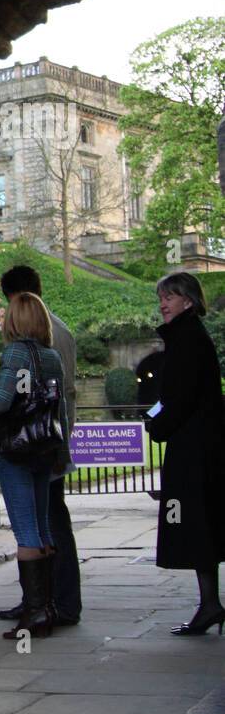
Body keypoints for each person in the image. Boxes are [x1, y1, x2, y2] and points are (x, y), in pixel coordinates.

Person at [0, 293, 68, 640]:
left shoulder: (15, 353)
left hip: (17, 450)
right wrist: (62, 451)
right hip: (44, 449)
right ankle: (48, 606)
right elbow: (61, 410)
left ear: (14, 321)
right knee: (43, 530)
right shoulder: (51, 356)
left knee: (25, 533)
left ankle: (34, 613)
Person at [0, 265, 81, 627]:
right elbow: (66, 397)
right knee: (47, 523)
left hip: (30, 445)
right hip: (47, 443)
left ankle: (55, 602)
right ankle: (43, 600)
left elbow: (10, 400)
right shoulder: (60, 333)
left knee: (43, 525)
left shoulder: (33, 342)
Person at [146, 272, 225, 635]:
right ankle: (210, 604)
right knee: (201, 526)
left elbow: (181, 398)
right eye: (162, 297)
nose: (163, 303)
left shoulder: (187, 339)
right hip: (199, 445)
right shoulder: (186, 337)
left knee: (197, 524)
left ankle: (210, 605)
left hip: (195, 448)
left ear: (188, 302)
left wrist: (157, 426)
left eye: (170, 297)